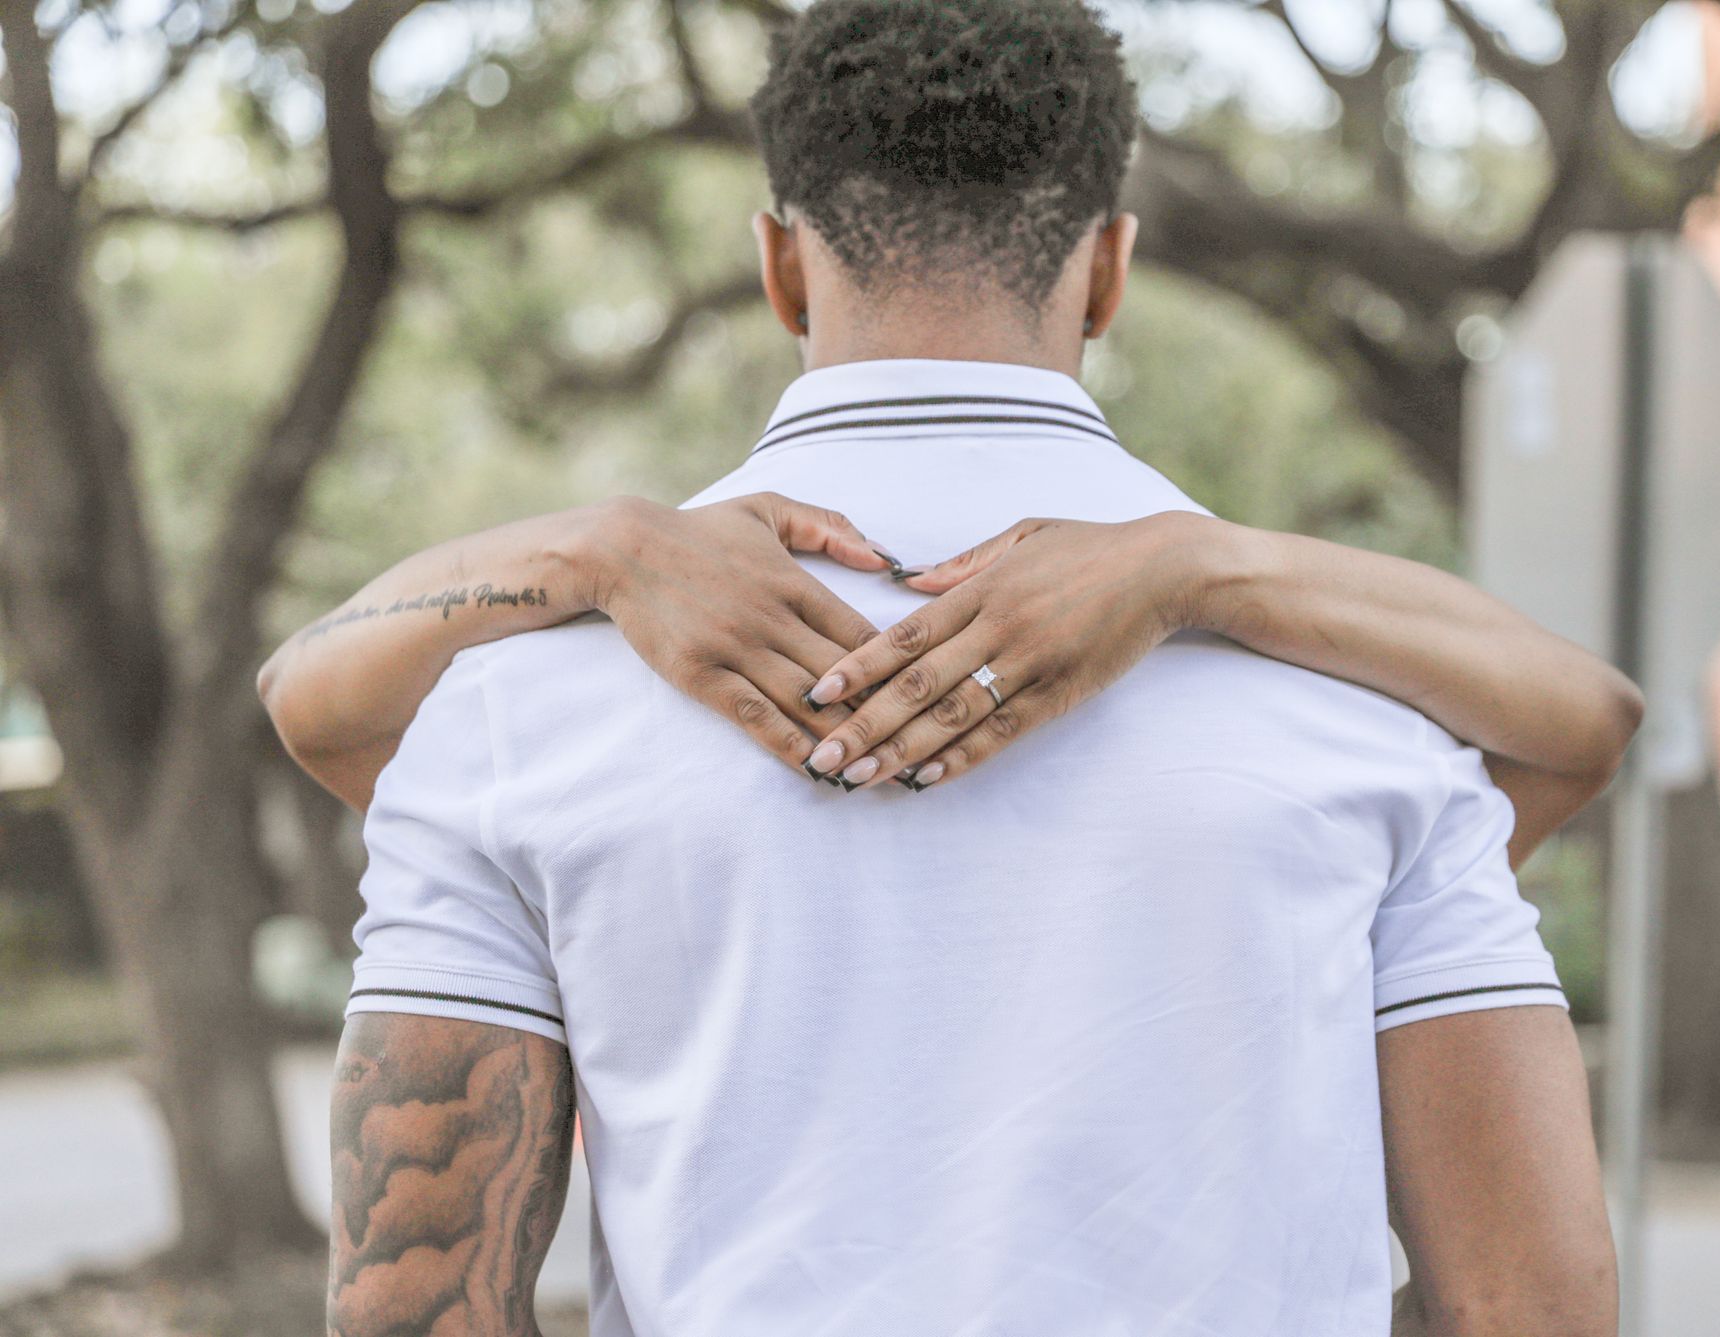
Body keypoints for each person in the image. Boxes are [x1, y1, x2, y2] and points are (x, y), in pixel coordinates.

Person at [270, 3, 1633, 1334]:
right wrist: (1205, 569)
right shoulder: (1377, 711)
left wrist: (591, 553)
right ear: (1109, 266)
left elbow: (412, 1302)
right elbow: (1535, 1301)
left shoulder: (519, 710)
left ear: (780, 264)